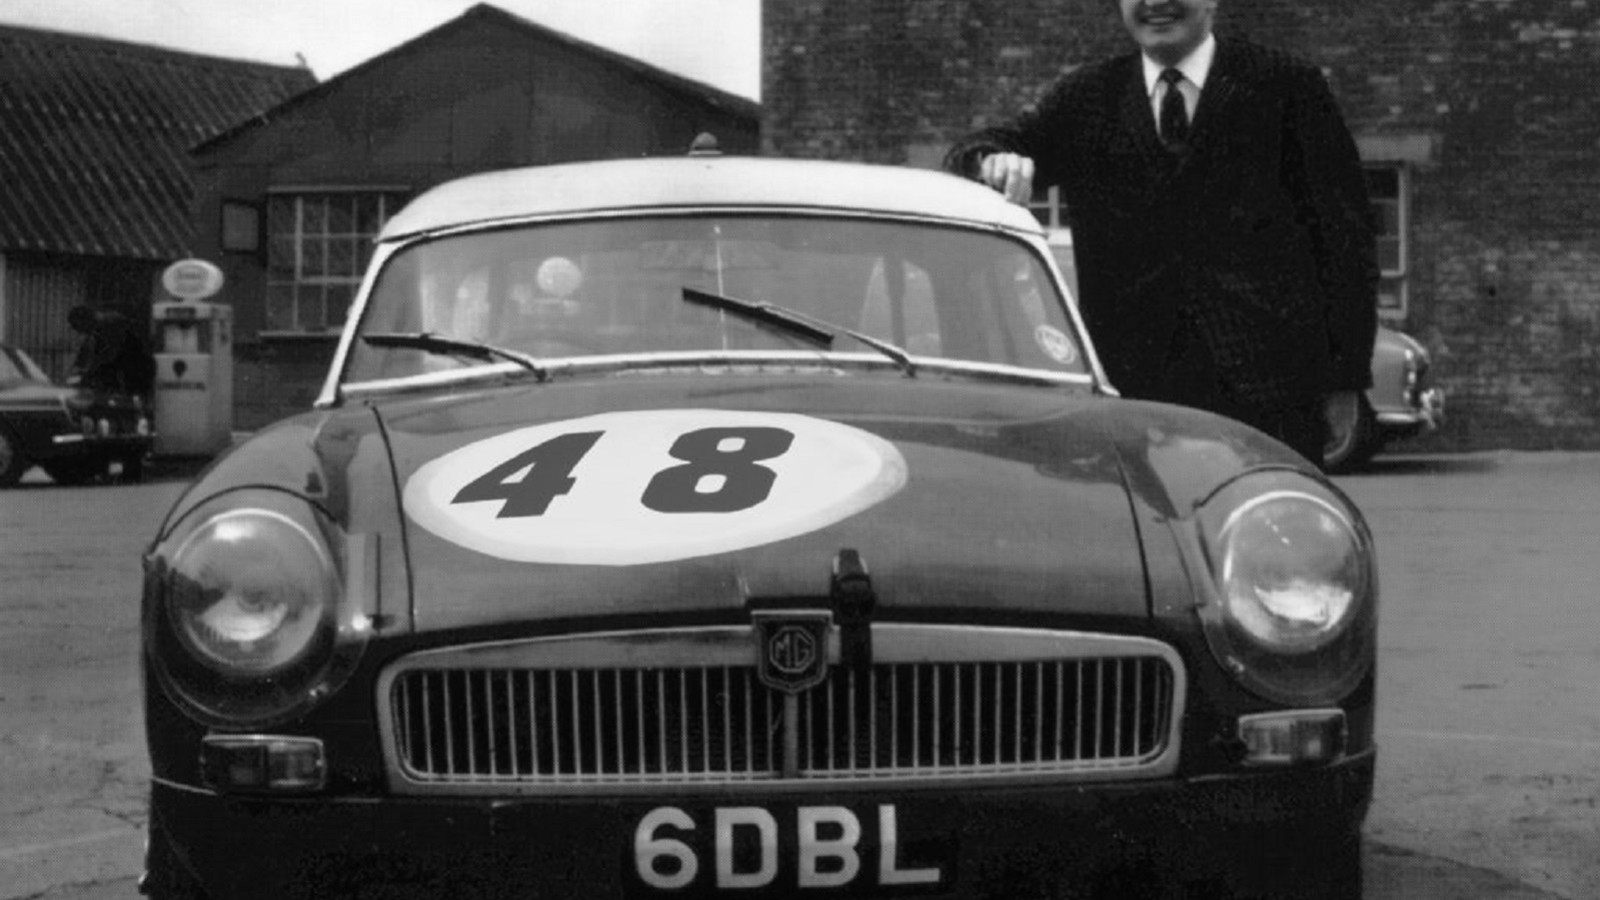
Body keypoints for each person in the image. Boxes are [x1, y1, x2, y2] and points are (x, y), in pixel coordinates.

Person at [944, 0, 1378, 464]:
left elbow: (1345, 241)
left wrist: (1344, 379)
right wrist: (992, 160)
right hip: (1133, 402)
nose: (1155, 3)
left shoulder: (1286, 87)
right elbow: (976, 152)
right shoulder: (1086, 98)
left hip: (1273, 398)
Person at [68, 305, 155, 400]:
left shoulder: (111, 323)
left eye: (77, 326)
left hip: (136, 367)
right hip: (129, 367)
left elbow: (110, 354)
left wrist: (90, 371)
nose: (79, 331)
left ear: (86, 320)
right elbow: (92, 353)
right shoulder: (99, 329)